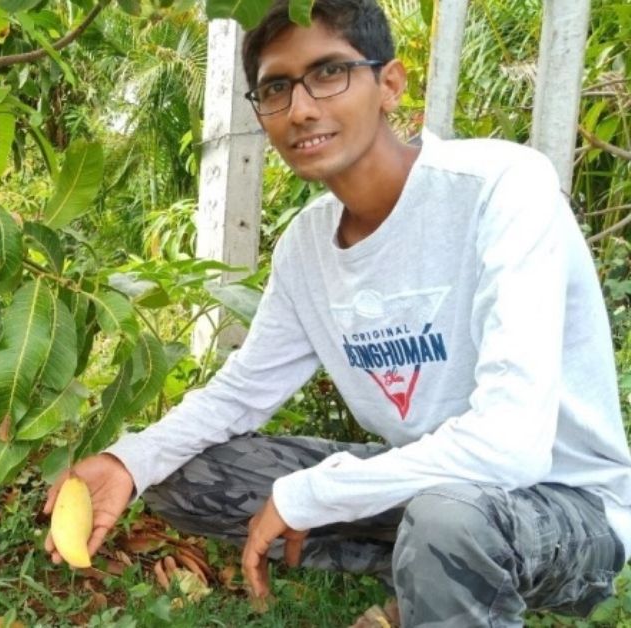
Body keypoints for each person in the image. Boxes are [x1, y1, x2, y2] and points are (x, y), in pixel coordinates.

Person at [41, 0, 631, 625]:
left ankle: (437, 579)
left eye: (329, 73)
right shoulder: (307, 244)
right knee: (180, 471)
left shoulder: (500, 188)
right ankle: (423, 573)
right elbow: (241, 392)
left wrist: (312, 493)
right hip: (431, 489)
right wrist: (126, 460)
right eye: (276, 87)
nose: (301, 108)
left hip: (564, 507)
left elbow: (510, 445)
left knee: (449, 519)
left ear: (390, 84)